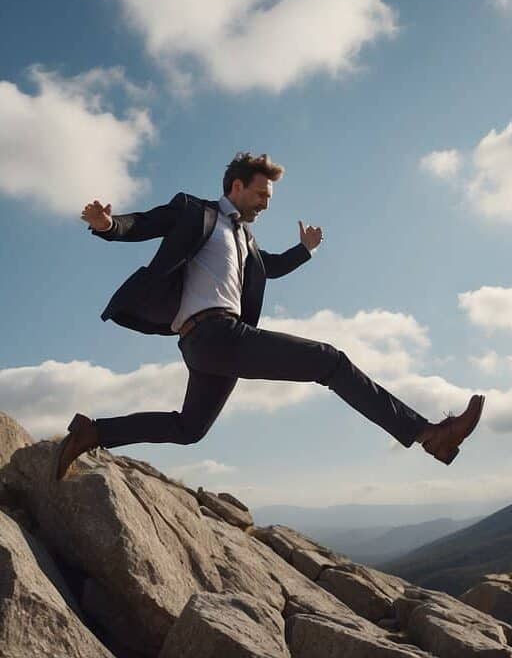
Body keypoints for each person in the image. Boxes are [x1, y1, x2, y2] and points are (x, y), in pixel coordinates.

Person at [54, 153, 484, 480]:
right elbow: (142, 223)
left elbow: (270, 267)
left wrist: (306, 250)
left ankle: (93, 432)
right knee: (330, 362)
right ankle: (430, 435)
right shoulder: (195, 211)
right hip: (215, 334)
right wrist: (109, 224)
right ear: (237, 186)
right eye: (261, 193)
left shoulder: (245, 239)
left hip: (209, 346)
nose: (266, 203)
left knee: (190, 429)